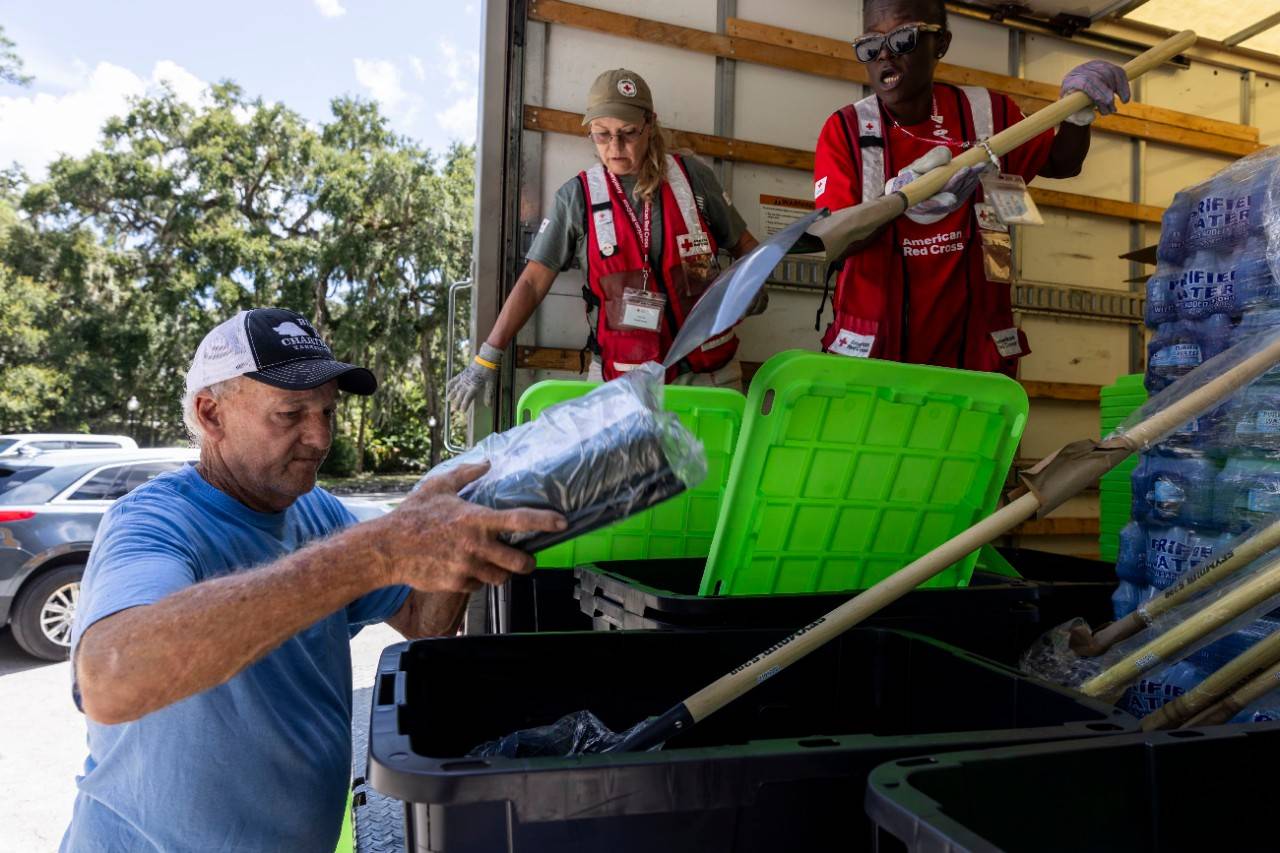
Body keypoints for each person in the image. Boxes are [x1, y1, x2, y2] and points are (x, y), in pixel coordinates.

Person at [62, 308, 566, 852]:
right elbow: (109, 680)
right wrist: (375, 552)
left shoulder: (316, 512)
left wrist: (463, 540)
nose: (320, 437)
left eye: (328, 411)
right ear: (211, 414)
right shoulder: (154, 522)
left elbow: (425, 623)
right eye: (291, 413)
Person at [814, 0, 1131, 376]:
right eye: (869, 45)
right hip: (877, 356)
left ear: (941, 44)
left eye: (903, 38)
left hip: (974, 353)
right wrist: (899, 202)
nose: (884, 54)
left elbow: (1063, 163)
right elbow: (834, 242)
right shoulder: (846, 129)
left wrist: (1077, 114)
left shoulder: (989, 113)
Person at [448, 68, 763, 410]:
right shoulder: (577, 197)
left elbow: (744, 245)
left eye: (628, 133)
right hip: (621, 381)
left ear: (650, 125)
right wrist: (488, 357)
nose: (615, 147)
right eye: (602, 135)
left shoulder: (693, 178)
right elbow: (533, 283)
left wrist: (754, 283)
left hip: (710, 378)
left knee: (713, 465)